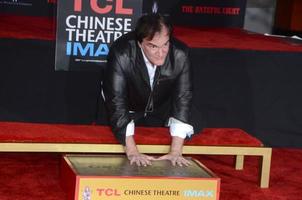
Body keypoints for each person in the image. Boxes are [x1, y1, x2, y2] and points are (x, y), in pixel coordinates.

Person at [103, 13, 198, 167]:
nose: (161, 52)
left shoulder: (181, 54)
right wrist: (132, 151)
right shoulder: (121, 53)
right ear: (140, 43)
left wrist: (175, 151)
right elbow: (116, 100)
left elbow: (183, 97)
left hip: (161, 109)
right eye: (153, 46)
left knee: (195, 115)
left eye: (165, 44)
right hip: (129, 108)